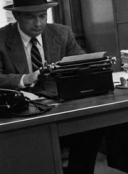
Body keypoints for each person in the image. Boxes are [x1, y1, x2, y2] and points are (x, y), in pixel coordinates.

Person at [0, 1, 91, 173]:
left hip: (59, 106)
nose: (38, 23)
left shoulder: (62, 33)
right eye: (30, 17)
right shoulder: (2, 38)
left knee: (89, 129)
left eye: (42, 16)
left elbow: (83, 63)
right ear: (16, 16)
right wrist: (25, 78)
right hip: (19, 113)